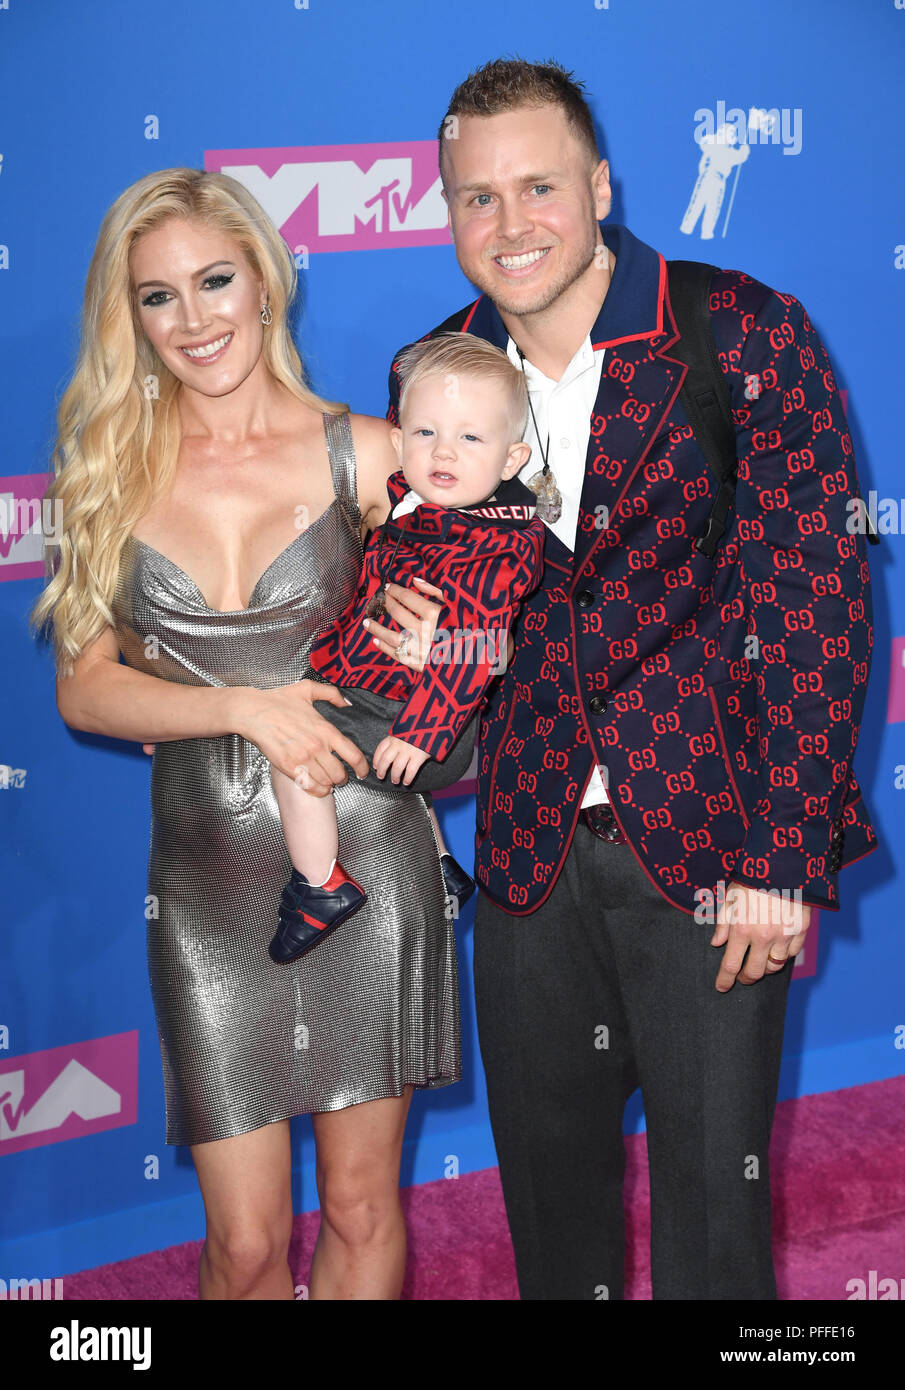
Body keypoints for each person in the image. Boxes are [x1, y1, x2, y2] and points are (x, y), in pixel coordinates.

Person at [370, 58, 879, 1299]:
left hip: (714, 852)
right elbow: (439, 628)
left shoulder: (737, 330)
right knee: (555, 1236)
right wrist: (409, 648)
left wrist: (780, 857)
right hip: (528, 862)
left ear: (598, 184)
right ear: (445, 214)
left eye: (537, 186)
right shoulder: (432, 384)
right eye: (474, 198)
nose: (507, 225)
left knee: (716, 1240)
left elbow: (815, 607)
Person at [30, 166, 466, 1301]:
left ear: (265, 281)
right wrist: (240, 704)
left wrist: (438, 654)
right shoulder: (105, 473)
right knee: (243, 1246)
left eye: (215, 279)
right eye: (157, 297)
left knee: (366, 1207)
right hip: (210, 889)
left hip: (365, 869)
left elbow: (469, 664)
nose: (194, 318)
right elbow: (86, 689)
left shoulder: (370, 453)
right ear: (127, 318)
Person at [269, 332, 545, 965]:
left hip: (420, 722)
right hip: (383, 693)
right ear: (398, 441)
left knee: (292, 744)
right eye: (426, 434)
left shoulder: (496, 547)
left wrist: (421, 732)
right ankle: (437, 862)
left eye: (471, 439)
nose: (444, 451)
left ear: (511, 460)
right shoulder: (411, 502)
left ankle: (320, 887)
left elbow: (475, 650)